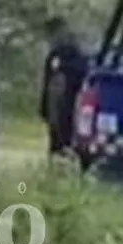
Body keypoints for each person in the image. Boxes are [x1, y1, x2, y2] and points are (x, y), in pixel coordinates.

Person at [38, 16, 88, 157]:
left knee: (64, 139)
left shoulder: (70, 54)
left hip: (68, 104)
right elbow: (47, 84)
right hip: (57, 107)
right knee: (56, 140)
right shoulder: (54, 56)